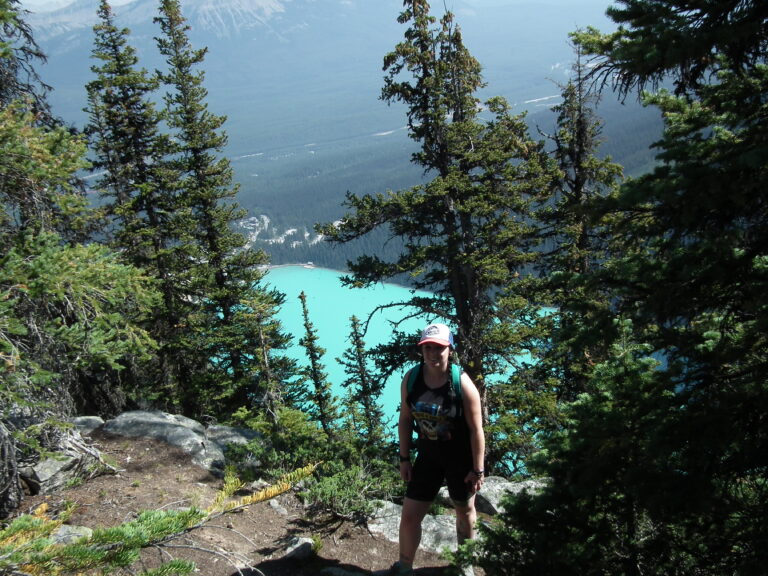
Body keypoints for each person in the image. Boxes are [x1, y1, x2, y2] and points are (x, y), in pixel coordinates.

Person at [382, 323, 485, 576]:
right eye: (428, 348)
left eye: (439, 348)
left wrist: (477, 469)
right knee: (410, 514)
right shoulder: (413, 378)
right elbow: (406, 419)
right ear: (422, 350)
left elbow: (476, 430)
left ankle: (465, 565)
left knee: (464, 510)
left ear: (450, 348)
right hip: (428, 457)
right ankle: (405, 566)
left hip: (459, 459)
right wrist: (404, 458)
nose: (432, 353)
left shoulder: (461, 383)